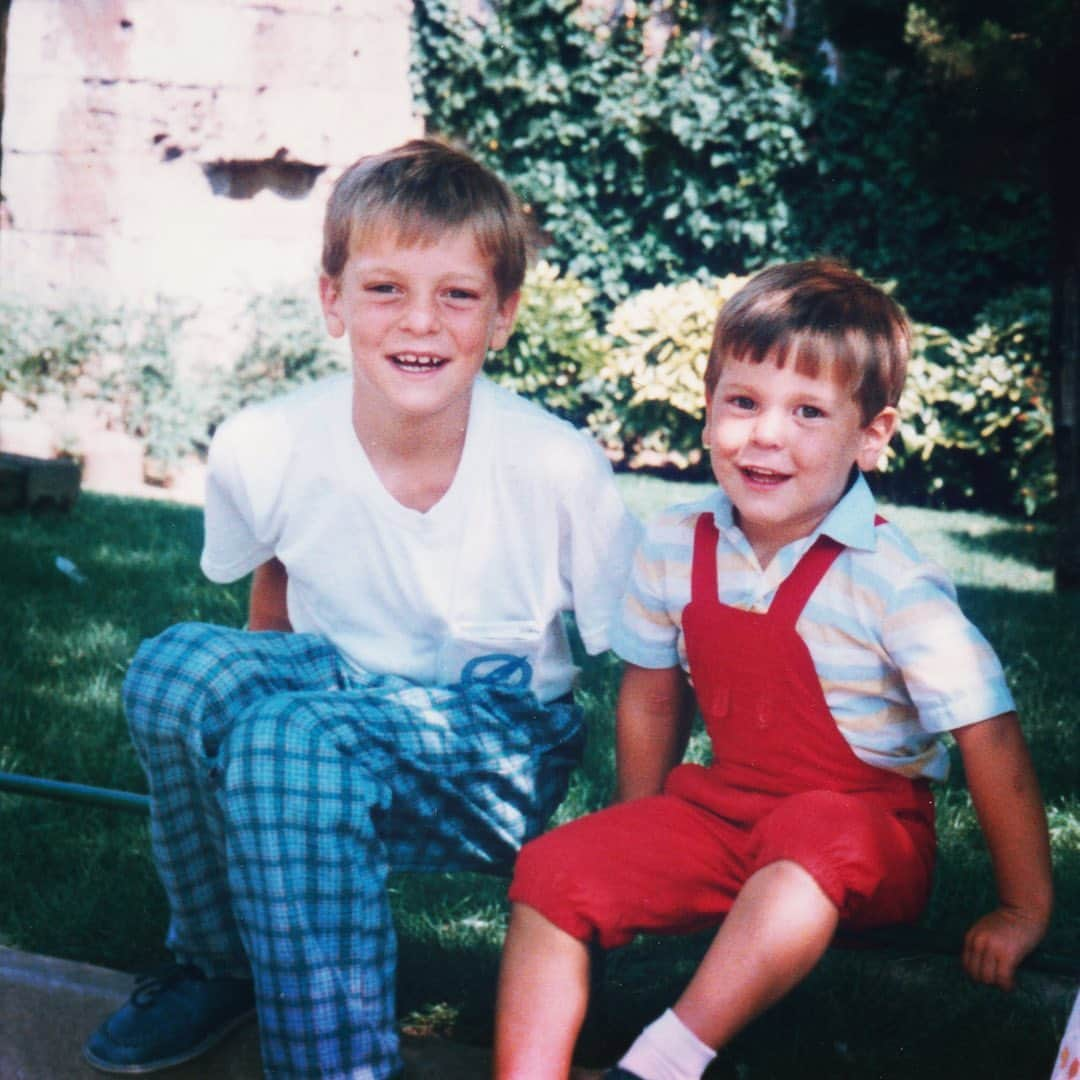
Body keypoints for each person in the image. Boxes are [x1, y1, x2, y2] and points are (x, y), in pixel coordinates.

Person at [82, 137, 641, 1080]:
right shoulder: (267, 440)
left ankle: (333, 1065)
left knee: (291, 744)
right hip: (332, 692)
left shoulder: (555, 464)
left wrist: (640, 829)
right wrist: (258, 782)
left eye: (457, 294)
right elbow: (275, 595)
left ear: (503, 315)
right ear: (333, 299)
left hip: (495, 741)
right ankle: (222, 965)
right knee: (180, 673)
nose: (419, 321)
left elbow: (647, 655)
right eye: (385, 288)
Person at [493, 259, 1053, 1080]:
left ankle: (663, 1063)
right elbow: (651, 697)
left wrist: (1020, 907)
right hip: (727, 818)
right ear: (709, 408)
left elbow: (990, 738)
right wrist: (636, 835)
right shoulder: (676, 543)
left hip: (868, 839)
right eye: (743, 402)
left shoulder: (891, 579)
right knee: (553, 867)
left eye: (808, 412)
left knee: (816, 830)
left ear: (872, 436)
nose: (766, 435)